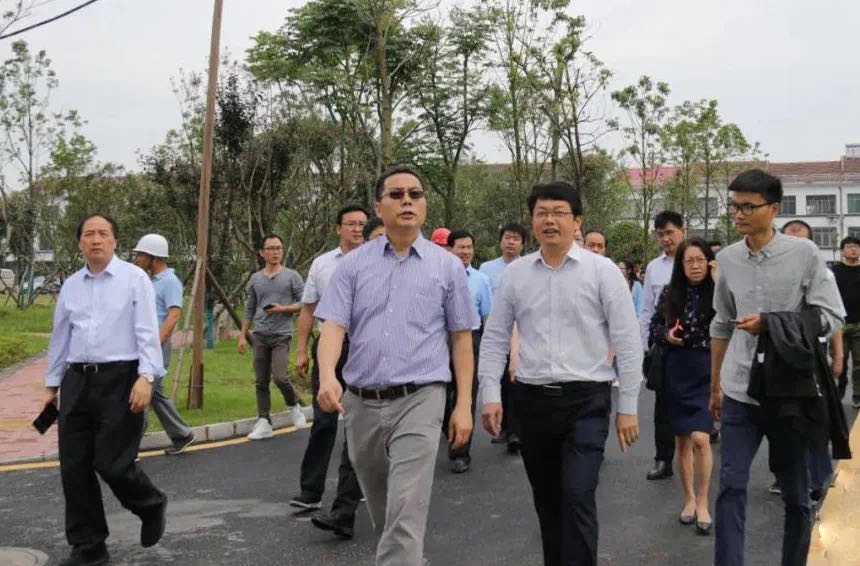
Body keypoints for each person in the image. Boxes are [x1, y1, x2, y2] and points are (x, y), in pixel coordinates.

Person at [315, 166, 478, 566]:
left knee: (406, 504)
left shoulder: (447, 267)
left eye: (415, 194)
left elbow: (461, 339)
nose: (407, 201)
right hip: (361, 401)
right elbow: (333, 325)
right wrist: (327, 377)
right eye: (397, 194)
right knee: (385, 506)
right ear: (378, 207)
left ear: (424, 205)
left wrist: (463, 405)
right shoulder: (352, 266)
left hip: (421, 397)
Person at [479, 181, 642, 566]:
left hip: (587, 401)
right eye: (542, 213)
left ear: (577, 221)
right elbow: (496, 336)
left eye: (559, 213)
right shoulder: (516, 274)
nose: (549, 220)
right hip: (532, 401)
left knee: (578, 494)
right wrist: (490, 395)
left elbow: (627, 338)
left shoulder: (603, 272)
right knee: (548, 501)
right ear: (532, 220)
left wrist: (629, 406)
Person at [711, 169, 847, 566]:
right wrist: (715, 386)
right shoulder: (727, 259)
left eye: (747, 206)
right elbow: (721, 324)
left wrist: (773, 323)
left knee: (796, 495)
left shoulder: (804, 254)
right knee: (730, 486)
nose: (738, 214)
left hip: (789, 390)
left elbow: (831, 315)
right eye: (734, 206)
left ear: (773, 209)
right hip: (739, 389)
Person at [42, 214, 167, 566]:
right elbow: (60, 337)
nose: (95, 239)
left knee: (113, 464)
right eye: (88, 234)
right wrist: (52, 385)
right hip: (77, 381)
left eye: (102, 233)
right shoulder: (71, 285)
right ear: (80, 242)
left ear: (114, 241)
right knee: (74, 467)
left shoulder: (134, 278)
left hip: (121, 379)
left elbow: (147, 331)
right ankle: (89, 547)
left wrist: (147, 377)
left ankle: (150, 503)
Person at [292, 206, 367, 537]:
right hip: (328, 347)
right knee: (323, 420)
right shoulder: (322, 264)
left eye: (362, 224)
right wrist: (300, 349)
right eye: (351, 224)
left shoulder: (377, 262)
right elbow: (308, 309)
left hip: (363, 349)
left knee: (359, 422)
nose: (357, 229)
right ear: (338, 229)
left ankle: (355, 487)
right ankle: (310, 491)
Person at [648, 238, 717, 535]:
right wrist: (667, 335)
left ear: (709, 262)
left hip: (707, 369)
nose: (695, 266)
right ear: (681, 265)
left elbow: (731, 320)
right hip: (676, 370)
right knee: (682, 441)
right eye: (689, 261)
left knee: (701, 438)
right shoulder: (670, 292)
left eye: (700, 260)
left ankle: (703, 501)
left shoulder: (719, 293)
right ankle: (689, 499)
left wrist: (720, 283)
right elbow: (654, 326)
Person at [239, 234, 306, 440]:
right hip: (260, 334)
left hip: (282, 335)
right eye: (270, 248)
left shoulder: (292, 276)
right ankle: (264, 421)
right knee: (261, 380)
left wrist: (282, 309)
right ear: (262, 253)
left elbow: (305, 304)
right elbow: (250, 308)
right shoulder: (256, 279)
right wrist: (242, 335)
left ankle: (294, 405)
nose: (275, 252)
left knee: (280, 377)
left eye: (278, 248)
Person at [132, 234, 195, 455]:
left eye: (141, 254)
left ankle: (129, 447)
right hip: (147, 346)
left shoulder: (170, 282)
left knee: (140, 393)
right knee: (155, 394)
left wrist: (154, 345)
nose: (137, 258)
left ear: (155, 257)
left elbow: (174, 316)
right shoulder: (149, 281)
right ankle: (183, 435)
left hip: (157, 348)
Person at [639, 210, 687, 480]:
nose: (666, 239)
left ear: (683, 230)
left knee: (695, 402)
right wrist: (646, 345)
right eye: (660, 235)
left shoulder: (698, 260)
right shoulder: (654, 268)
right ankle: (663, 459)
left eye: (670, 232)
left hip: (696, 345)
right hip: (663, 344)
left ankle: (697, 456)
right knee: (663, 406)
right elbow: (647, 309)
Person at [444, 229, 493, 473]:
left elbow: (487, 317)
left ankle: (460, 453)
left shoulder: (481, 280)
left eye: (469, 247)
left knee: (466, 395)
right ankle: (449, 430)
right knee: (440, 396)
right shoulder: (438, 274)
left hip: (470, 339)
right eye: (460, 247)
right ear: (449, 249)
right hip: (439, 339)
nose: (465, 252)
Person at [479, 222, 527, 452]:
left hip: (521, 332)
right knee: (499, 382)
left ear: (523, 244)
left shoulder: (528, 267)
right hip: (496, 332)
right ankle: (504, 426)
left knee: (516, 382)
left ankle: (516, 432)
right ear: (500, 241)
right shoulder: (486, 269)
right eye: (507, 237)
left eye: (516, 239)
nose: (511, 242)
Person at [832, 235, 860, 408]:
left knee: (859, 363)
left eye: (856, 246)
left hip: (859, 324)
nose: (854, 249)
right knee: (839, 360)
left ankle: (857, 394)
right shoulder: (834, 271)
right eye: (849, 246)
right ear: (842, 251)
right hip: (838, 325)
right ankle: (840, 387)